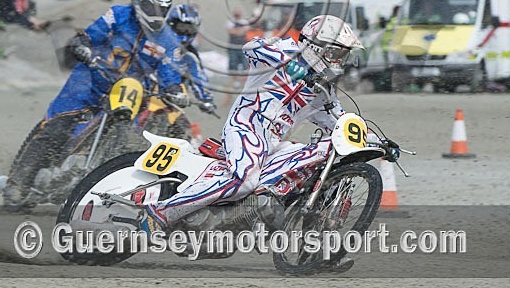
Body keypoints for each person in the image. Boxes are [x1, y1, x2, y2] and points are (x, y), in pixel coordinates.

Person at [137, 15, 364, 235]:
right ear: (317, 46)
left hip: (273, 143)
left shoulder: (323, 90)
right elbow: (251, 47)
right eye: (337, 52)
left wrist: (376, 142)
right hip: (245, 126)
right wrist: (292, 66)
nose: (339, 61)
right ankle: (161, 212)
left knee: (321, 154)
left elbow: (341, 123)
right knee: (244, 182)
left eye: (343, 55)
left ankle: (309, 233)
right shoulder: (285, 50)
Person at [3, 0, 187, 211]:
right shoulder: (119, 14)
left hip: (129, 91)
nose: (156, 15)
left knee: (143, 132)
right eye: (152, 8)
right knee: (57, 126)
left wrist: (174, 90)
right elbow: (90, 35)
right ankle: (16, 185)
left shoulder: (169, 40)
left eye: (162, 9)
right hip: (91, 79)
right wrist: (83, 45)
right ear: (139, 4)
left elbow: (171, 74)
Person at [166, 4, 216, 111]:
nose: (185, 34)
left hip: (174, 96)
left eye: (190, 29)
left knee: (182, 122)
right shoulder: (156, 42)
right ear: (171, 25)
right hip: (146, 88)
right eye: (182, 28)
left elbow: (199, 77)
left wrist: (206, 99)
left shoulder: (191, 54)